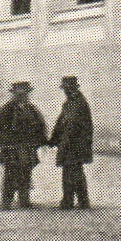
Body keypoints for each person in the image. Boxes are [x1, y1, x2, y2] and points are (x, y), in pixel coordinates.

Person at [0, 81, 46, 209]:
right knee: (10, 174)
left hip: (27, 148)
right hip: (11, 148)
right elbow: (0, 129)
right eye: (19, 93)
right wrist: (3, 145)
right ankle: (7, 202)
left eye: (24, 93)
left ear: (27, 94)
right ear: (14, 94)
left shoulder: (32, 109)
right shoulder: (6, 110)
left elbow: (40, 126)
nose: (22, 96)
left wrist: (41, 141)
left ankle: (24, 201)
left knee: (26, 173)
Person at [50, 74, 94, 209]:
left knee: (72, 172)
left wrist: (62, 140)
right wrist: (53, 139)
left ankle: (70, 200)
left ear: (72, 88)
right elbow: (61, 122)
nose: (65, 91)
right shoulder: (70, 102)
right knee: (73, 171)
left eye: (66, 88)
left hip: (75, 144)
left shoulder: (78, 103)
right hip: (71, 143)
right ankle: (80, 200)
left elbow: (73, 124)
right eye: (64, 88)